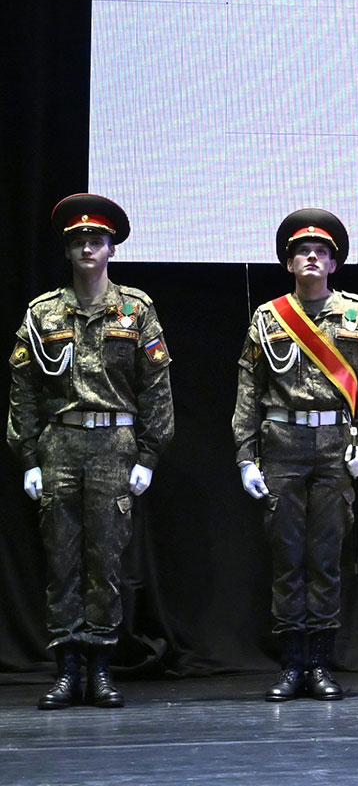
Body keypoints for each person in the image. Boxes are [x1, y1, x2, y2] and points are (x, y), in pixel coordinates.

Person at [8, 195, 174, 710]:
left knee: (105, 561)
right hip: (60, 444)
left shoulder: (135, 309)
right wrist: (28, 458)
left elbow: (156, 388)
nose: (87, 248)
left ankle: (100, 669)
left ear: (111, 249)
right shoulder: (42, 312)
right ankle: (67, 672)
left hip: (114, 445)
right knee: (61, 562)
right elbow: (23, 389)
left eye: (96, 240)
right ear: (67, 251)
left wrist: (148, 456)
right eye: (78, 241)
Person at [233, 210, 358, 701]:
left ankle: (319, 663)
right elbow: (248, 391)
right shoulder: (269, 317)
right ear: (289, 263)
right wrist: (246, 456)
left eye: (322, 252)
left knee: (325, 557)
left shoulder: (357, 316)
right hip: (282, 444)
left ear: (334, 264)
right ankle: (291, 664)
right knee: (287, 557)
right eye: (303, 252)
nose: (313, 258)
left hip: (335, 446)